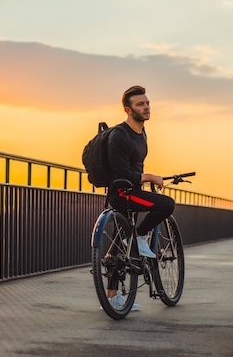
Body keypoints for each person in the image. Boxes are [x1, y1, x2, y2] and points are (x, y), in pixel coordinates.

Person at [105, 85, 175, 309]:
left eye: (147, 103)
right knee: (166, 204)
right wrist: (150, 177)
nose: (146, 107)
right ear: (127, 110)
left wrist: (145, 177)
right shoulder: (119, 135)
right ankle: (138, 235)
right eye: (140, 104)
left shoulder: (141, 133)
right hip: (121, 193)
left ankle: (112, 296)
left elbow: (135, 167)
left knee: (119, 250)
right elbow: (122, 173)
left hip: (132, 191)